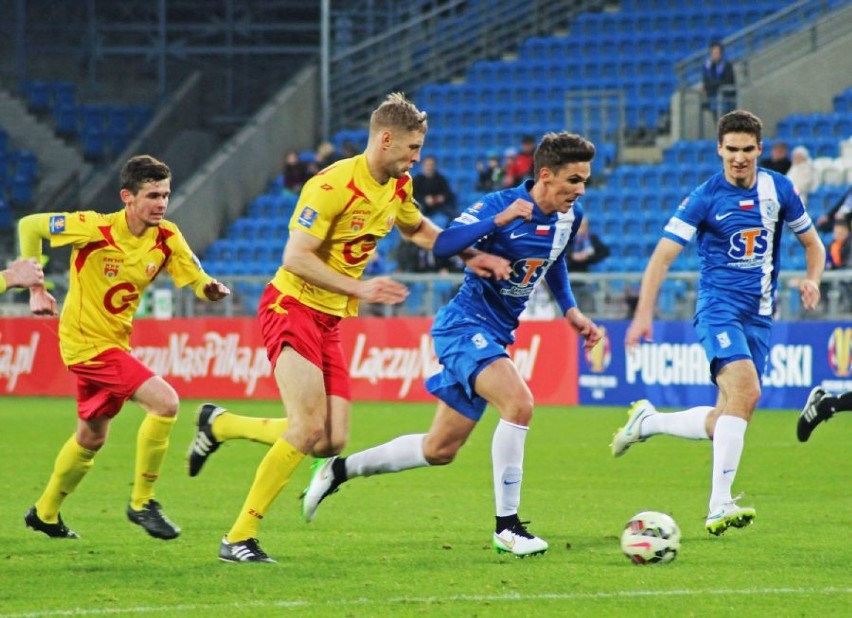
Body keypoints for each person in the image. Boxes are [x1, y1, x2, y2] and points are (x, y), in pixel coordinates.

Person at [188, 93, 511, 563]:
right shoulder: (332, 184)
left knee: (330, 440)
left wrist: (472, 255)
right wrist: (361, 290)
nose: (417, 158)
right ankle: (238, 536)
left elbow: (420, 230)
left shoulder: (397, 187)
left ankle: (221, 423)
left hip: (329, 318)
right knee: (305, 428)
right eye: (412, 148)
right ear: (385, 139)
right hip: (290, 305)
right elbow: (295, 257)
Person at [300, 132, 603, 558]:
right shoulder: (499, 205)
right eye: (573, 180)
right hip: (463, 326)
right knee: (519, 404)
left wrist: (570, 310)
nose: (580, 190)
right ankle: (508, 527)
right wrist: (495, 225)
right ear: (546, 175)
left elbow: (554, 264)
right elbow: (442, 244)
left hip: (495, 334)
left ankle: (338, 470)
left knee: (439, 449)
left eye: (585, 180)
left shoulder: (569, 219)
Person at [612, 110, 825, 536]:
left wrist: (813, 280)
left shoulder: (779, 189)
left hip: (760, 317)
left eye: (748, 150)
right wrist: (642, 315)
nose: (740, 158)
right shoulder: (705, 197)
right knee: (747, 390)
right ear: (719, 149)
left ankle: (648, 423)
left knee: (729, 413)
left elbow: (813, 244)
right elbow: (662, 257)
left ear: (760, 150)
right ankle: (718, 506)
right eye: (732, 150)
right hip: (718, 309)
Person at [19, 155, 230, 540]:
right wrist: (36, 285)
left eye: (165, 194)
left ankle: (45, 513)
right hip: (85, 343)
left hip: (114, 342)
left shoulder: (167, 237)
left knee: (91, 437)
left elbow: (195, 275)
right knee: (166, 403)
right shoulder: (94, 228)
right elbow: (30, 225)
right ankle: (142, 502)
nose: (162, 203)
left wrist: (208, 289)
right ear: (127, 197)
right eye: (152, 195)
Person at [413, 155, 456, 226]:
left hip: (439, 206)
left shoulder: (440, 178)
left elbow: (448, 193)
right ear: (423, 166)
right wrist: (424, 199)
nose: (429, 167)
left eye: (431, 165)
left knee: (453, 214)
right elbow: (413, 195)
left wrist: (442, 197)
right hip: (423, 206)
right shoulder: (417, 179)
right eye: (427, 165)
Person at [702, 41, 736, 119]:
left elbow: (727, 81)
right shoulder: (707, 66)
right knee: (716, 118)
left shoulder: (727, 65)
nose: (715, 55)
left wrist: (713, 85)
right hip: (713, 96)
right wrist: (714, 85)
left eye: (717, 52)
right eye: (713, 53)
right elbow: (706, 82)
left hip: (726, 97)